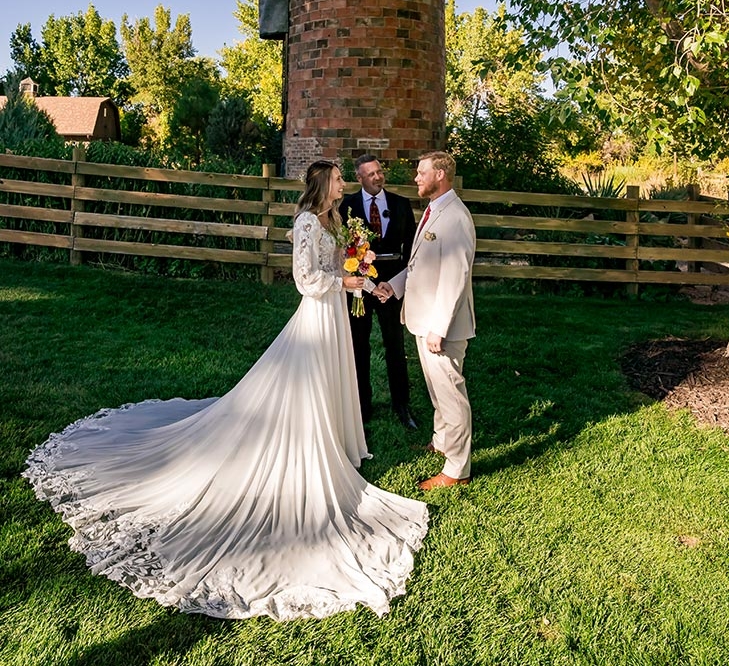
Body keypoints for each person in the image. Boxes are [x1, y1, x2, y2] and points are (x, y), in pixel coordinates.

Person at [22, 160, 429, 620]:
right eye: (337, 178)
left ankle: (336, 438)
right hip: (318, 317)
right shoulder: (303, 222)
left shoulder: (334, 220)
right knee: (309, 385)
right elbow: (305, 281)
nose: (343, 183)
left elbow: (336, 264)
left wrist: (356, 264)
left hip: (336, 315)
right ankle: (310, 446)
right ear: (323, 184)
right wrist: (346, 279)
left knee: (337, 381)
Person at [376, 151, 476, 491]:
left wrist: (439, 328)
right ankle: (442, 441)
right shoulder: (435, 210)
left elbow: (455, 277)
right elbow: (422, 263)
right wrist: (396, 285)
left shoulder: (456, 218)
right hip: (422, 320)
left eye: (422, 173)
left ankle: (457, 469)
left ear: (442, 175)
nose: (416, 178)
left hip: (440, 326)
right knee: (436, 390)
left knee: (451, 394)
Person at [339, 154, 418, 430]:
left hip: (391, 285)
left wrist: (396, 284)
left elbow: (412, 250)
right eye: (370, 174)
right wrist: (356, 279)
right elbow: (341, 249)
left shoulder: (400, 204)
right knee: (358, 345)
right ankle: (362, 405)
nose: (377, 177)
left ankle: (402, 404)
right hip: (360, 287)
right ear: (359, 178)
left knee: (395, 345)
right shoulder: (346, 206)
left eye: (379, 172)